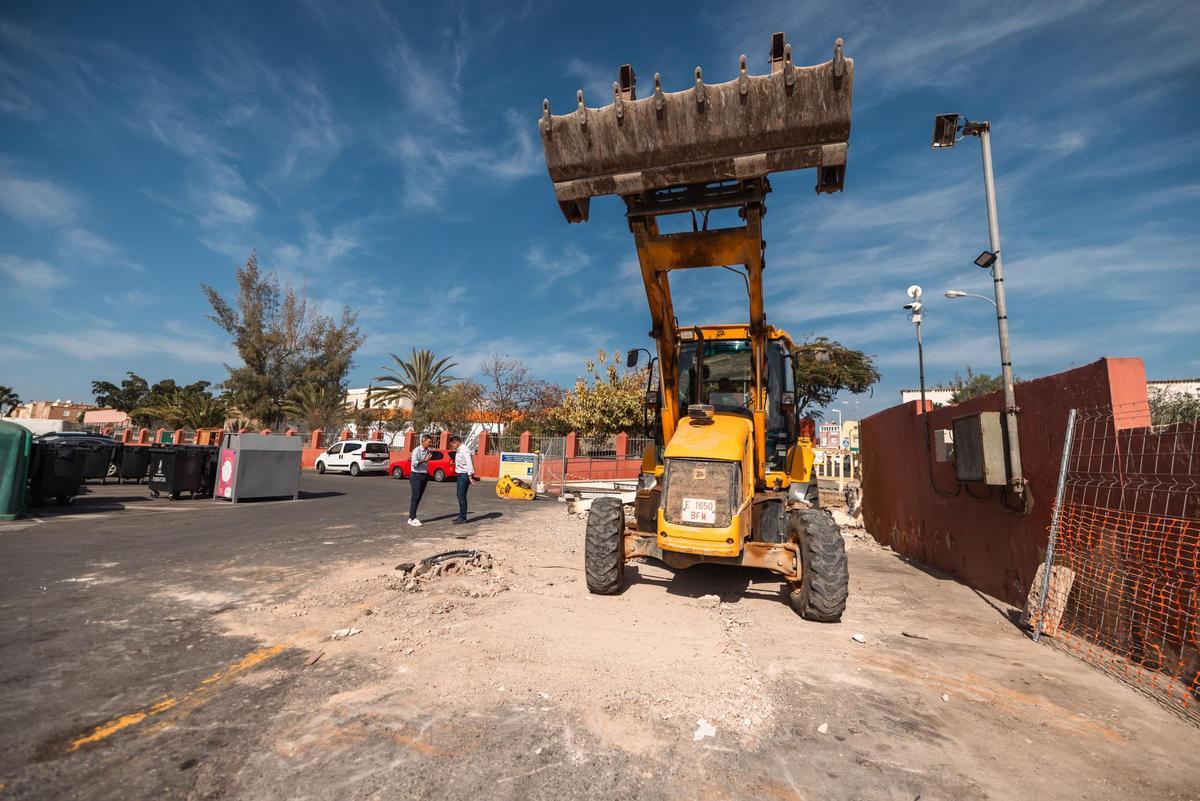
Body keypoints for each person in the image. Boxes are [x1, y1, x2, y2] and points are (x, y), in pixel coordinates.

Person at [450, 435, 479, 524]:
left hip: (464, 475)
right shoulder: (460, 450)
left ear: (456, 442)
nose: (452, 446)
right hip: (461, 474)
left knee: (461, 496)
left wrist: (470, 476)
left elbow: (469, 463)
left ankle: (463, 517)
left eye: (452, 445)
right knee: (460, 496)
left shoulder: (464, 450)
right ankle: (461, 516)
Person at [408, 434, 434, 526]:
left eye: (430, 442)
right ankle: (413, 517)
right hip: (416, 475)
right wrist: (425, 460)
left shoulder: (427, 451)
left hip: (424, 475)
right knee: (415, 496)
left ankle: (411, 517)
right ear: (422, 442)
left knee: (419, 497)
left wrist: (427, 459)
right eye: (428, 442)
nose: (430, 444)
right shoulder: (416, 450)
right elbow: (414, 463)